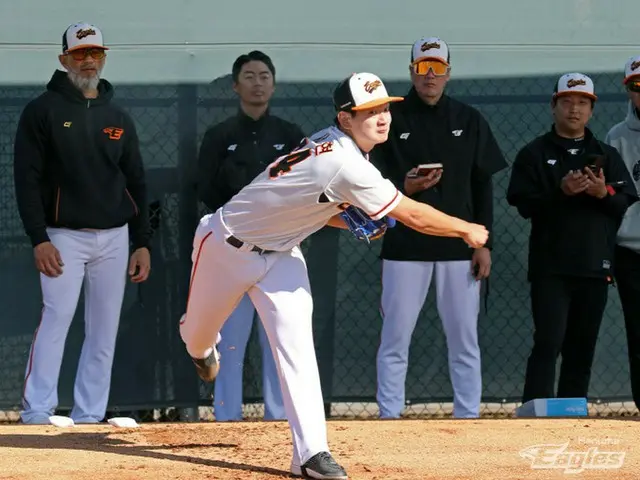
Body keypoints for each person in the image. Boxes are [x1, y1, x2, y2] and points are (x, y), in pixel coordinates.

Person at [178, 72, 489, 479]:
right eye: (367, 112)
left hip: (282, 253)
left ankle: (311, 455)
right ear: (345, 119)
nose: (381, 118)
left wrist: (347, 217)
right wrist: (465, 228)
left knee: (297, 345)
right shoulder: (343, 161)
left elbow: (317, 206)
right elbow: (411, 214)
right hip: (225, 246)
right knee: (197, 337)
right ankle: (201, 346)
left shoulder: (341, 149)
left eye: (383, 108)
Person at [13, 22, 151, 425]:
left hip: (114, 238)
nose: (88, 61)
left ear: (104, 57)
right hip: (62, 237)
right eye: (79, 54)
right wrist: (39, 237)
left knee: (104, 329)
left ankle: (89, 415)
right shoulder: (41, 111)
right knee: (56, 318)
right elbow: (26, 179)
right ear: (64, 59)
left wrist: (141, 241)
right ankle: (36, 411)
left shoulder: (118, 116)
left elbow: (137, 181)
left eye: (95, 53)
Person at [371, 37, 507, 419]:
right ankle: (389, 416)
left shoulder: (468, 119)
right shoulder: (389, 119)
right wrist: (405, 187)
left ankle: (468, 416)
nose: (430, 76)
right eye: (423, 68)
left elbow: (484, 184)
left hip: (457, 249)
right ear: (411, 70)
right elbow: (370, 181)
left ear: (449, 71)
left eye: (438, 68)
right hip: (403, 247)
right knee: (395, 338)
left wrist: (484, 243)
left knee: (464, 341)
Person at [506, 73, 637, 404]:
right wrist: (560, 192)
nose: (574, 110)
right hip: (551, 266)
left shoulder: (605, 153)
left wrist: (600, 192)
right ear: (553, 106)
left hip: (595, 265)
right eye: (567, 102)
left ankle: (572, 416)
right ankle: (536, 413)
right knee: (549, 341)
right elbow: (524, 203)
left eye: (582, 103)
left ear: (591, 110)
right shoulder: (534, 153)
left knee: (582, 347)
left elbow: (624, 199)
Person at [197, 50, 304, 422]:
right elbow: (206, 189)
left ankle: (281, 416)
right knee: (229, 338)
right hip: (232, 250)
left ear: (273, 84)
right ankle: (227, 415)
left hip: (280, 248)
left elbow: (304, 189)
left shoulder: (290, 136)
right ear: (235, 85)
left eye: (264, 76)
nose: (257, 83)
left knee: (280, 337)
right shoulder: (219, 136)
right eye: (249, 76)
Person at [605, 55, 640, 412]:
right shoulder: (616, 136)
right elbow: (611, 195)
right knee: (638, 333)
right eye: (637, 86)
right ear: (628, 89)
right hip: (631, 251)